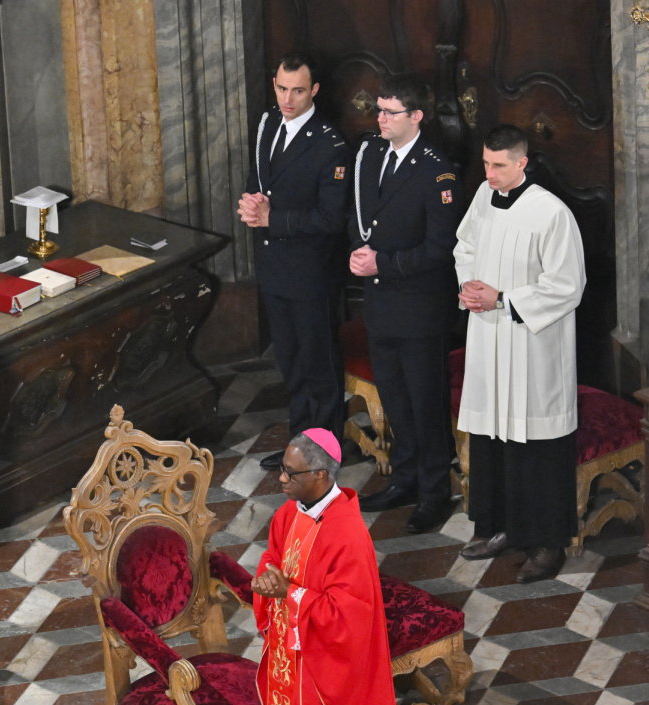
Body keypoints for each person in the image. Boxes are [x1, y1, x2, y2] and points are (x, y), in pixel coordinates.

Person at [252, 428, 409, 705]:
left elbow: (350, 614)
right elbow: (274, 559)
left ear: (320, 475)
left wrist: (291, 595)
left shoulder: (348, 534)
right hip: (294, 653)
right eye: (281, 470)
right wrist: (267, 582)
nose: (281, 480)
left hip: (331, 662)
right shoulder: (289, 515)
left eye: (289, 473)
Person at [453, 124, 586, 583]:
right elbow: (464, 245)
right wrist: (469, 285)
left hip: (532, 347)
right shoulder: (483, 198)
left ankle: (548, 544)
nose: (489, 173)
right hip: (489, 341)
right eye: (486, 163)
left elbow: (568, 285)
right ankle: (500, 528)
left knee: (537, 448)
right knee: (492, 441)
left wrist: (504, 300)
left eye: (499, 166)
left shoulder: (551, 214)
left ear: (522, 163)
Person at [348, 74, 463, 534]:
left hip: (419, 309)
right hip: (380, 306)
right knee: (395, 399)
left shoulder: (438, 171)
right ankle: (406, 477)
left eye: (390, 112)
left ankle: (435, 491)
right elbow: (359, 215)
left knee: (424, 402)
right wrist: (359, 254)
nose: (381, 119)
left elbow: (441, 250)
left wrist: (383, 263)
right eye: (378, 110)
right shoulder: (371, 153)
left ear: (416, 116)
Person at [239, 53, 350, 473]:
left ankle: (323, 455)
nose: (288, 98)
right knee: (291, 363)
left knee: (318, 368)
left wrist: (273, 217)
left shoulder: (330, 144)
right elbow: (260, 177)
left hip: (311, 273)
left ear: (314, 91)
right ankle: (299, 448)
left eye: (298, 90)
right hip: (273, 267)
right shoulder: (268, 123)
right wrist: (252, 200)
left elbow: (331, 218)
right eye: (282, 88)